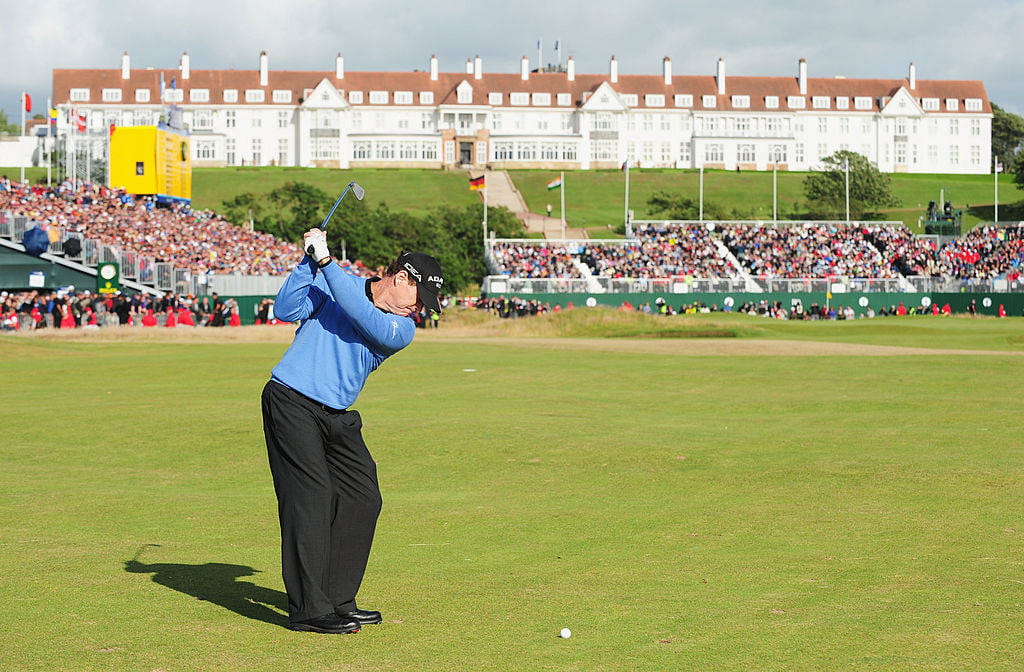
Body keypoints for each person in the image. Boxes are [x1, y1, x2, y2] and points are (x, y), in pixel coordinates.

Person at [261, 228, 444, 635]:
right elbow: (286, 309)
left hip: (336, 414)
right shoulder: (335, 286)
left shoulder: (401, 330)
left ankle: (337, 599)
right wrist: (308, 263)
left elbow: (360, 312)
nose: (419, 310)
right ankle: (309, 610)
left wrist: (327, 263)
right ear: (400, 280)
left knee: (363, 498)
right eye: (419, 299)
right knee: (311, 498)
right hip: (290, 400)